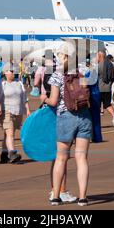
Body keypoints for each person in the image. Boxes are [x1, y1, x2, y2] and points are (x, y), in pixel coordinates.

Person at [41, 41, 92, 206]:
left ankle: (56, 196)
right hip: (84, 116)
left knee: (61, 158)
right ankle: (83, 197)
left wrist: (44, 99)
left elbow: (54, 101)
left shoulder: (57, 74)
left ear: (63, 56)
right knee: (82, 158)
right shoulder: (84, 71)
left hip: (66, 116)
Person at [34, 50, 78, 204]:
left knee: (57, 157)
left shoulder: (48, 72)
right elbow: (53, 99)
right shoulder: (68, 73)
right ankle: (60, 191)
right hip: (64, 116)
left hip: (55, 115)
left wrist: (43, 99)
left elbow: (45, 93)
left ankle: (56, 189)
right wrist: (46, 99)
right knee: (62, 157)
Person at [0, 67, 31, 163]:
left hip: (18, 111)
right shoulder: (3, 84)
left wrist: (28, 110)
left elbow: (24, 97)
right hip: (6, 111)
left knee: (8, 134)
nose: (13, 73)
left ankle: (4, 154)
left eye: (14, 71)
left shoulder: (19, 83)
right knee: (10, 133)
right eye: (10, 71)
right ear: (5, 73)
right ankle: (12, 154)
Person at [97, 50, 114, 127]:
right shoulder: (110, 64)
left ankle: (97, 123)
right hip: (108, 88)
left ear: (100, 56)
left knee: (97, 105)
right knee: (107, 104)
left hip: (99, 88)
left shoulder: (98, 65)